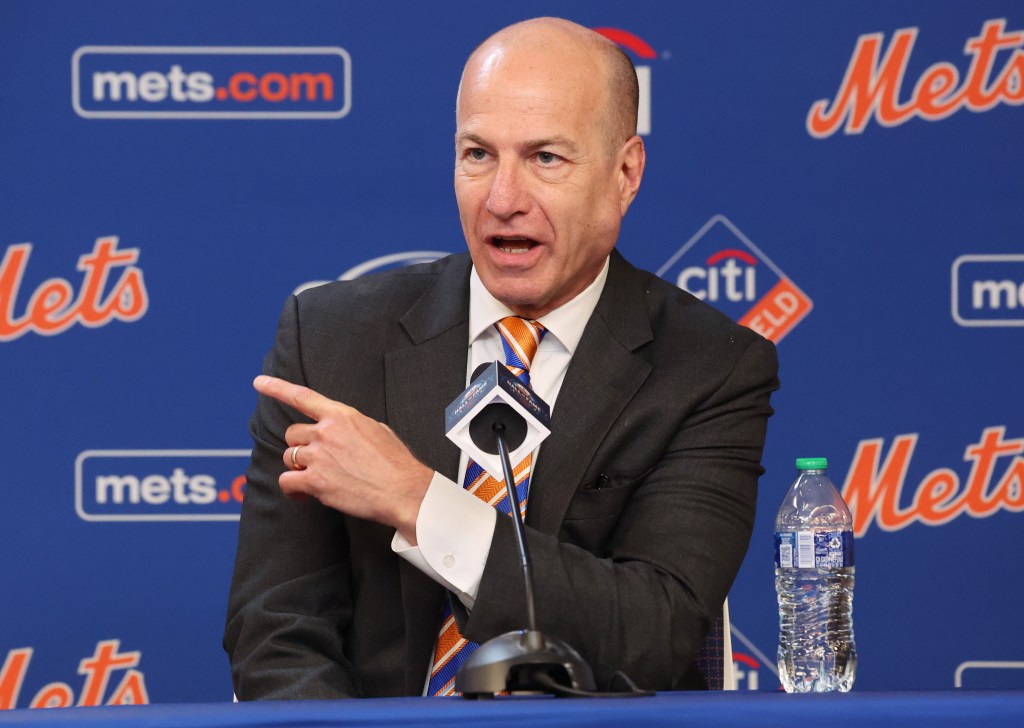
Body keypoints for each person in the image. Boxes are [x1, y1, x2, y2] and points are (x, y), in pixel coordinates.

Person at [224, 17, 778, 699]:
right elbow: (275, 630)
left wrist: (419, 501)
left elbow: (654, 632)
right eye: (478, 154)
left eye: (546, 158)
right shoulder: (330, 338)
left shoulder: (708, 368)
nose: (503, 200)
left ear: (625, 173)